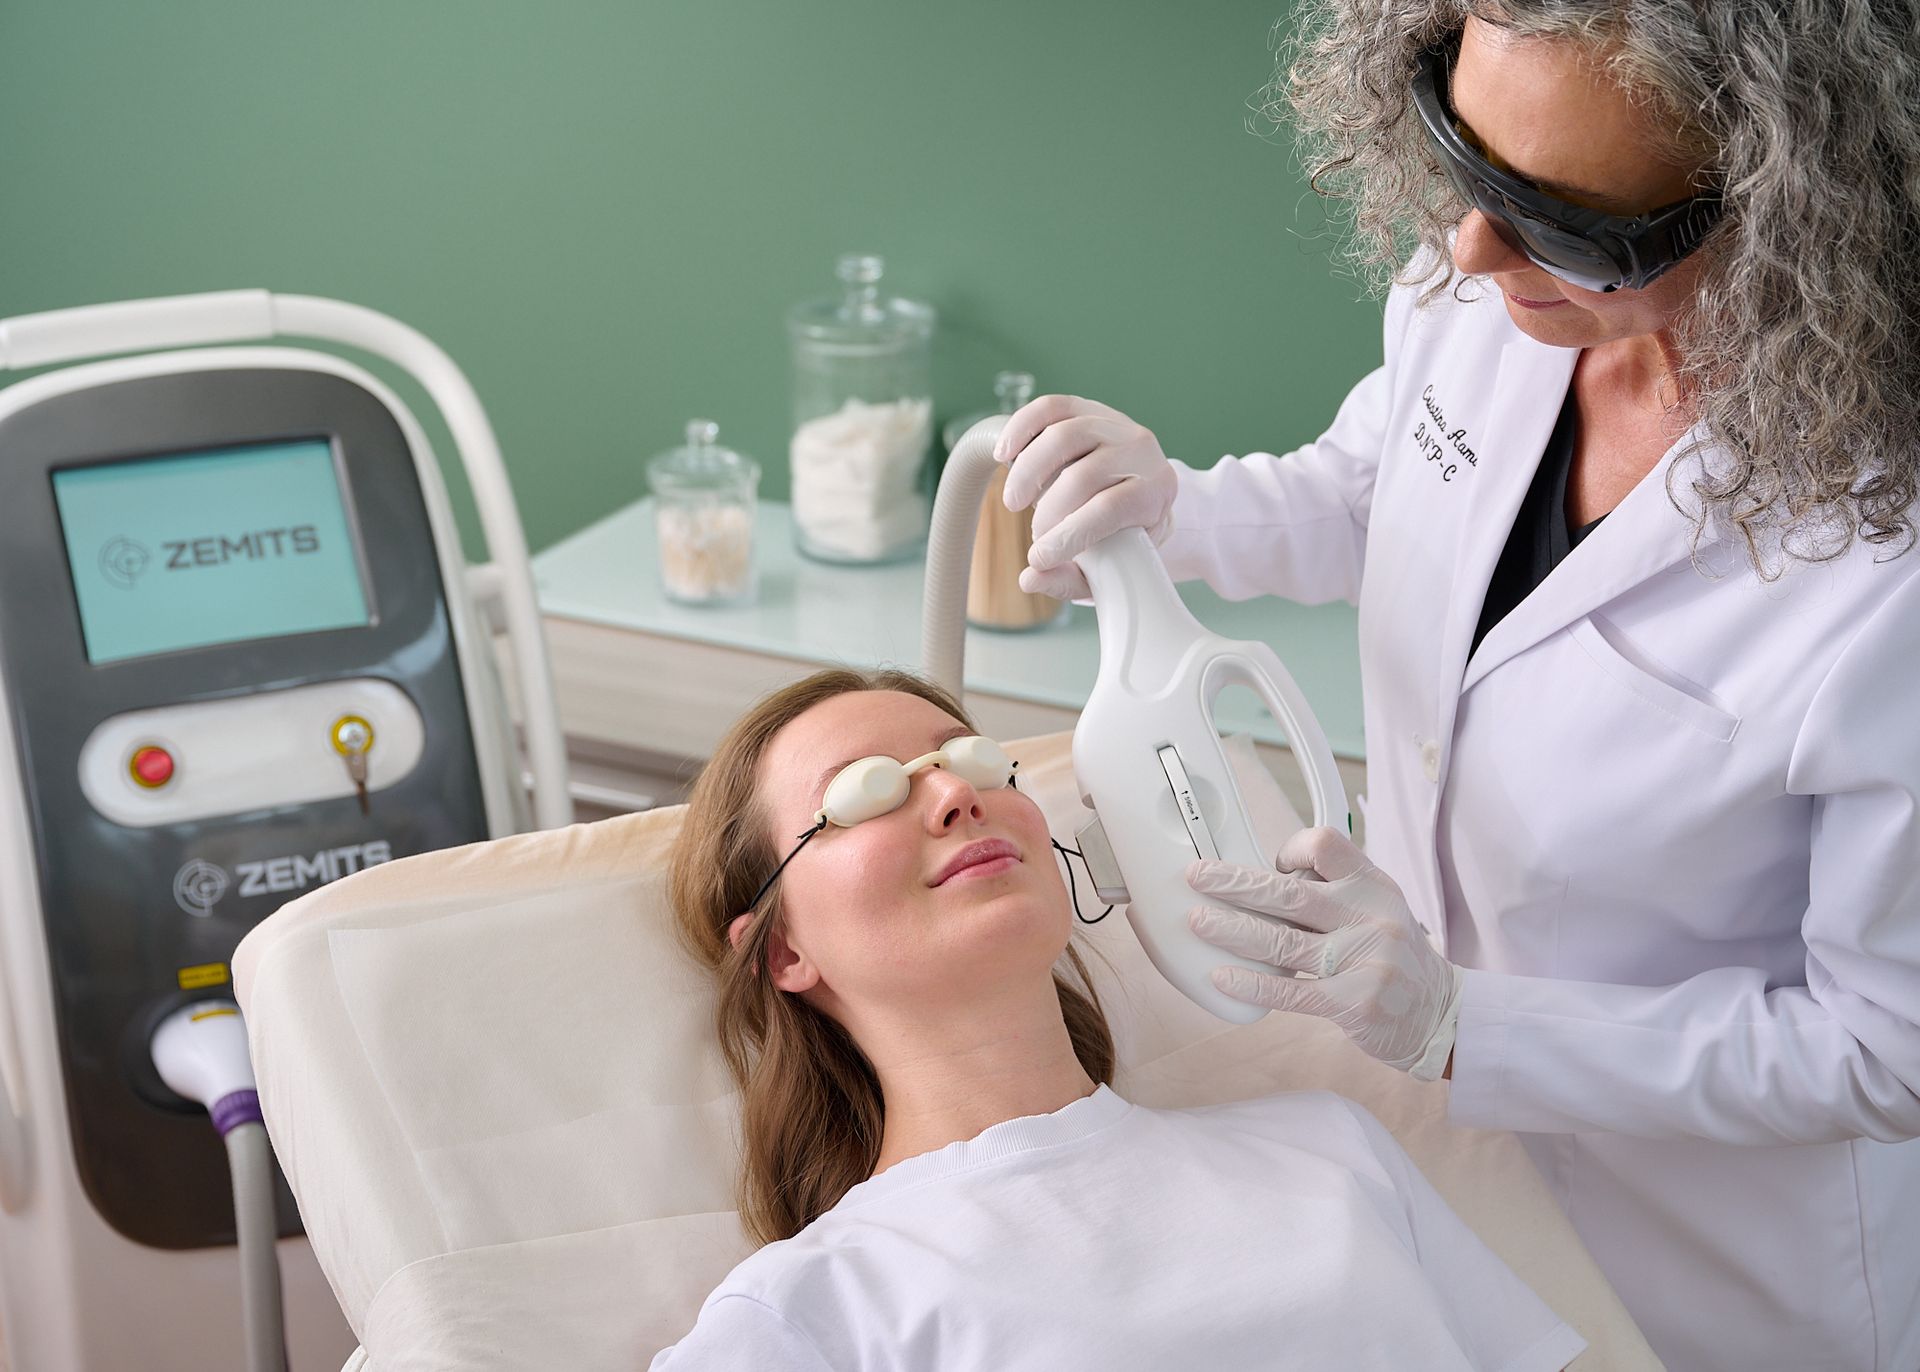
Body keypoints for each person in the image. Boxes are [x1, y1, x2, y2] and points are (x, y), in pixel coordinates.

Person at [992, 3, 1920, 1369]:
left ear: (1792, 206)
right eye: (1465, 160)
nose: (1472, 251)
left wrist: (1464, 1024)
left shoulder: (1883, 568)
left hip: (1710, 1272)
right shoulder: (1491, 290)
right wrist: (1175, 508)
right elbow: (1382, 490)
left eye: (1565, 222)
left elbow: (1881, 1048)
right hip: (1435, 1176)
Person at [651, 667, 1585, 1371]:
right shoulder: (812, 1310)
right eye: (869, 789)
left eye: (969, 759)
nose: (953, 794)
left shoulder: (1328, 1148)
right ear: (782, 952)